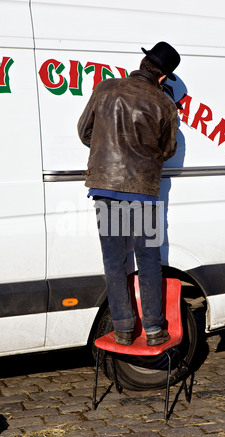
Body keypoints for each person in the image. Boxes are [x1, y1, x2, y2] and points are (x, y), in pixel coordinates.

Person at [78, 42, 180, 346]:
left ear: (143, 62)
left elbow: (85, 132)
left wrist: (110, 147)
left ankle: (122, 329)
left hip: (106, 188)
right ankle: (153, 330)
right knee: (148, 259)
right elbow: (167, 150)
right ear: (163, 78)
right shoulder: (164, 103)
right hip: (143, 194)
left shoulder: (106, 87)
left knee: (114, 260)